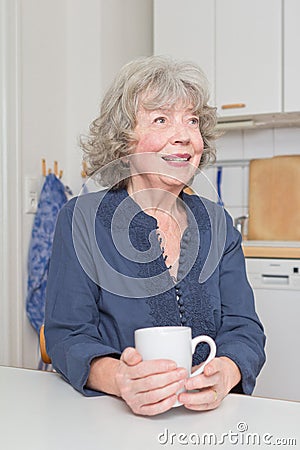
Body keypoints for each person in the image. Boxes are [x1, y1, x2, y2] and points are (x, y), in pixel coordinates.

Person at [44, 55, 265, 416]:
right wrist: (119, 378)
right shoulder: (81, 219)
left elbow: (244, 328)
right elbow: (66, 333)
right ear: (124, 142)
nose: (183, 136)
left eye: (191, 121)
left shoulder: (219, 224)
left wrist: (224, 374)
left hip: (208, 421)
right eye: (161, 119)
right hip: (112, 420)